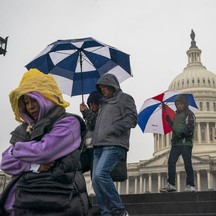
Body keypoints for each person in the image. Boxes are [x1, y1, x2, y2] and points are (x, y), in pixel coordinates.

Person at [0, 69, 90, 216]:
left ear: (47, 97)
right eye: (26, 102)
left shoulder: (69, 122)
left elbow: (44, 151)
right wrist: (33, 165)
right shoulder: (26, 127)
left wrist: (16, 149)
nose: (30, 106)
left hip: (58, 202)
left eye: (34, 99)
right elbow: (5, 162)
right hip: (25, 203)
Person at [91, 73, 137, 216]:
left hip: (114, 144)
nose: (103, 89)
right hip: (98, 146)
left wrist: (114, 128)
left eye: (105, 86)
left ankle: (119, 209)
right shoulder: (103, 104)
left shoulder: (124, 98)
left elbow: (132, 119)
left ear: (112, 85)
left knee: (100, 174)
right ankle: (106, 212)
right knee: (95, 180)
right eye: (101, 87)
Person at [160, 94, 196, 193]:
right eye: (177, 104)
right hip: (176, 143)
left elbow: (190, 127)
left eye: (181, 103)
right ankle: (171, 184)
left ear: (185, 104)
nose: (179, 105)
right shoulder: (176, 115)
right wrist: (169, 121)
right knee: (171, 162)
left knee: (187, 164)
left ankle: (190, 185)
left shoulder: (189, 114)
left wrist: (182, 134)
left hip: (185, 143)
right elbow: (175, 129)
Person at [79, 90, 103, 175]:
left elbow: (97, 124)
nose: (91, 106)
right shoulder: (89, 116)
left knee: (95, 176)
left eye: (93, 103)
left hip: (96, 149)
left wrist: (86, 112)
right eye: (90, 104)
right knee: (75, 168)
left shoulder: (103, 114)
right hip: (86, 150)